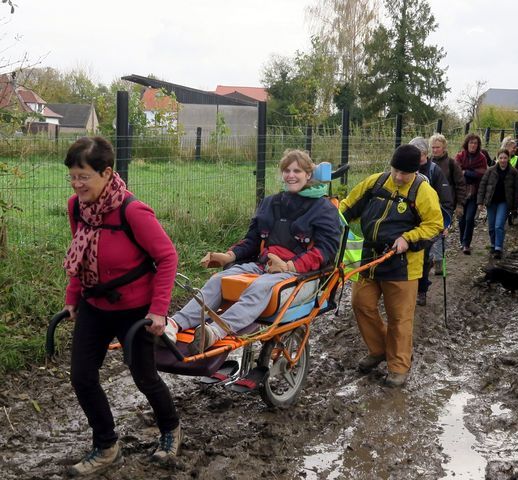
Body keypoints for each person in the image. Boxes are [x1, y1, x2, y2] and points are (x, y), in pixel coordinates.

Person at [62, 137, 180, 476]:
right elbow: (79, 256)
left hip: (135, 311)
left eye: (83, 176)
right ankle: (106, 445)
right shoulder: (77, 207)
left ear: (106, 172)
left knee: (143, 376)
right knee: (82, 377)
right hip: (94, 305)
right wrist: (73, 297)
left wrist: (158, 310)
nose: (76, 183)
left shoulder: (132, 211)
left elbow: (167, 256)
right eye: (72, 176)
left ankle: (170, 430)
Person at [165, 149, 342, 350]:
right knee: (219, 280)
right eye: (286, 170)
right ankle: (174, 324)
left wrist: (287, 266)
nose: (291, 175)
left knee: (260, 287)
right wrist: (228, 256)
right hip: (262, 266)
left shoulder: (324, 209)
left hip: (299, 275)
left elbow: (324, 252)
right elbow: (252, 239)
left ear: (308, 175)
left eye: (297, 171)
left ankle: (215, 331)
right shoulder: (271, 203)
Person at [339, 145, 443, 387]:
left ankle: (398, 367)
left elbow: (435, 225)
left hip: (403, 266)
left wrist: (408, 239)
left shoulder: (423, 192)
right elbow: (347, 208)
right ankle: (379, 350)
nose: (398, 177)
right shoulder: (375, 183)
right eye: (395, 170)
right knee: (361, 304)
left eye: (404, 173)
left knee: (400, 318)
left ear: (415, 171)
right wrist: (330, 216)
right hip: (369, 260)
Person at [409, 136, 453, 306]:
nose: (415, 159)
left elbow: (445, 200)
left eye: (418, 155)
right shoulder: (407, 169)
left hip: (427, 223)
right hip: (407, 221)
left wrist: (445, 223)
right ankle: (407, 289)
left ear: (425, 154)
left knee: (425, 258)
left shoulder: (434, 171)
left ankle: (421, 291)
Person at [428, 133, 466, 275]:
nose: (435, 150)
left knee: (441, 232)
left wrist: (460, 204)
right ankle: (429, 259)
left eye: (437, 147)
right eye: (433, 147)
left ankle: (438, 261)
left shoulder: (451, 163)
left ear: (444, 147)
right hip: (428, 204)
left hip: (445, 204)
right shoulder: (427, 163)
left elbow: (460, 184)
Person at [477, 149, 518, 259]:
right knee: (491, 226)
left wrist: (515, 206)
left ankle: (498, 248)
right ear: (497, 158)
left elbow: (517, 190)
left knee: (499, 225)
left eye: (505, 158)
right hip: (491, 201)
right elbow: (483, 185)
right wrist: (480, 201)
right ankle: (493, 244)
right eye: (501, 158)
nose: (503, 160)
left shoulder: (514, 172)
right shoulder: (490, 171)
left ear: (509, 158)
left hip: (504, 202)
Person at [455, 134, 488, 255]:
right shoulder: (460, 156)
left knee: (469, 219)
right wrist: (470, 173)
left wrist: (467, 172)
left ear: (478, 145)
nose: (473, 145)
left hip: (475, 192)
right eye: (471, 143)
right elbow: (458, 172)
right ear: (467, 144)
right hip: (461, 192)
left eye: (475, 143)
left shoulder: (482, 158)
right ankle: (462, 241)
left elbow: (482, 174)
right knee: (461, 219)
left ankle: (466, 244)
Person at [501, 137, 518, 223]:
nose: (515, 149)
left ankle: (513, 211)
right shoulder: (499, 158)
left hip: (513, 183)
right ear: (506, 147)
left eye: (516, 147)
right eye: (513, 148)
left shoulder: (517, 159)